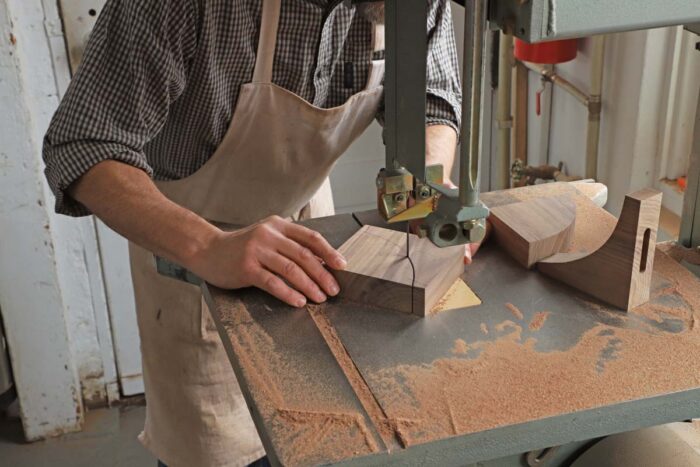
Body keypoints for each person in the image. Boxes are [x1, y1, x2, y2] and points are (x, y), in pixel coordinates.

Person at [42, 1, 463, 465]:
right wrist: (208, 246)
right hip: (194, 244)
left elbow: (429, 98)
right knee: (223, 450)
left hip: (306, 224)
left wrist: (420, 194)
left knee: (327, 431)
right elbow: (84, 146)